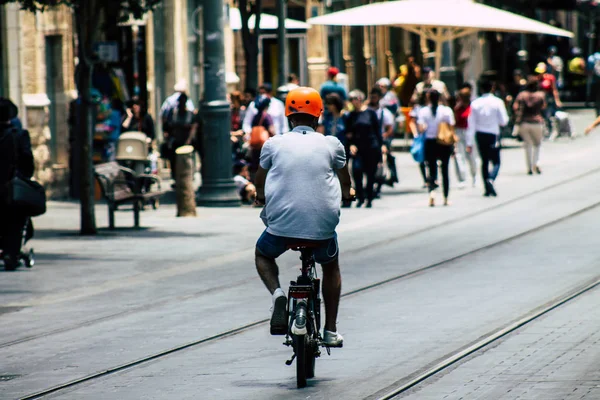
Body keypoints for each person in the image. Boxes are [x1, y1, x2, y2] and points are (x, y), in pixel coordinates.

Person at [253, 86, 354, 347]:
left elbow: (260, 179)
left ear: (289, 116)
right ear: (318, 116)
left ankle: (277, 294)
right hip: (321, 231)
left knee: (263, 254)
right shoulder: (332, 144)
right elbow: (345, 180)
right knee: (330, 266)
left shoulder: (274, 144)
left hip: (281, 230)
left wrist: (260, 197)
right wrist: (348, 192)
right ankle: (330, 331)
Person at [0, 98, 34, 271]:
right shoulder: (18, 135)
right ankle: (11, 251)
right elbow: (27, 161)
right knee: (15, 220)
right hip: (12, 188)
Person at [467, 80, 509, 197]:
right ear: (492, 88)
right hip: (493, 134)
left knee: (484, 161)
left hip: (480, 135)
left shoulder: (475, 103)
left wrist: (469, 142)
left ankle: (486, 187)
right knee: (496, 161)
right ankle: (491, 178)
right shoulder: (497, 102)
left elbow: (471, 123)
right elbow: (504, 121)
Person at [345, 89, 385, 208]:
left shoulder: (370, 113)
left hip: (371, 147)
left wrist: (382, 145)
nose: (352, 102)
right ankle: (360, 197)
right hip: (358, 148)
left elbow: (377, 130)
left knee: (370, 174)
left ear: (359, 99)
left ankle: (369, 198)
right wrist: (351, 144)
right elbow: (348, 133)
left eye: (353, 99)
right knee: (357, 171)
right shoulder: (351, 115)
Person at [417, 90, 456, 207]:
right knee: (445, 170)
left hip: (430, 142)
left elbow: (420, 128)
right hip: (443, 142)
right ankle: (445, 197)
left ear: (428, 98)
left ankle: (432, 193)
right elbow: (451, 127)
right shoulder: (446, 110)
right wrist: (454, 144)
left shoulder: (423, 111)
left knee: (432, 169)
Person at [514, 77, 546, 175]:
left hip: (524, 122)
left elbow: (515, 107)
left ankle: (529, 167)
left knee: (528, 145)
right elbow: (544, 106)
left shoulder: (522, 95)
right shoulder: (540, 95)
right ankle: (536, 162)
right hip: (537, 122)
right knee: (537, 144)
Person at [368, 87, 396, 197]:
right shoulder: (366, 111)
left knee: (381, 164)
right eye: (371, 97)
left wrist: (382, 138)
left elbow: (390, 129)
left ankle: (379, 185)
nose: (373, 99)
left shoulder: (385, 113)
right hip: (369, 141)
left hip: (381, 141)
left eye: (375, 97)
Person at [166, 93, 198, 186]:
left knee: (187, 160)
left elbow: (193, 127)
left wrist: (189, 139)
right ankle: (176, 178)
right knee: (174, 160)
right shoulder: (174, 114)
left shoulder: (189, 114)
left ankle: (187, 177)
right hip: (176, 140)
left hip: (186, 141)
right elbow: (168, 126)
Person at [453, 83, 477, 188]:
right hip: (459, 132)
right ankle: (462, 179)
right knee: (459, 156)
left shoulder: (473, 107)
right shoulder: (458, 108)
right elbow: (454, 121)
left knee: (472, 156)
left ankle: (474, 176)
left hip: (470, 132)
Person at [535, 62, 562, 136]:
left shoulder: (550, 78)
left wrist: (557, 100)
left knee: (549, 115)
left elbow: (554, 89)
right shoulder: (536, 79)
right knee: (541, 115)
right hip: (539, 99)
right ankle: (543, 131)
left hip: (548, 98)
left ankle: (553, 130)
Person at [409, 92, 429, 188]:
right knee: (421, 158)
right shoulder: (417, 108)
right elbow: (412, 122)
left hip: (430, 136)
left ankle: (433, 178)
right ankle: (425, 179)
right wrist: (415, 134)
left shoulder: (433, 107)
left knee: (431, 158)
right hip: (420, 136)